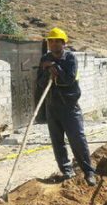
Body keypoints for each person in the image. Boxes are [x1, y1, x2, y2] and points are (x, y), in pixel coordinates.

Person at [37, 27, 96, 186]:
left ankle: (88, 171)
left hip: (69, 106)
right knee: (57, 141)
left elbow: (68, 80)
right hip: (52, 106)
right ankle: (67, 171)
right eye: (51, 41)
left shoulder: (70, 58)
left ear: (64, 43)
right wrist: (46, 70)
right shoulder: (45, 58)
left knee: (77, 139)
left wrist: (55, 68)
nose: (53, 43)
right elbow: (40, 83)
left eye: (57, 41)